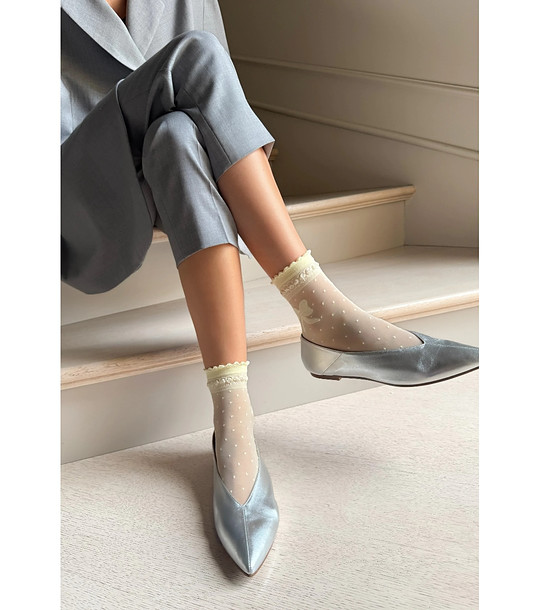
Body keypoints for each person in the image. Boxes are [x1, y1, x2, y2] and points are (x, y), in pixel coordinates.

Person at [61, 0, 479, 576]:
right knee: (196, 58)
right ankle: (323, 313)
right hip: (75, 193)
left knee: (178, 134)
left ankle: (232, 414)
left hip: (156, 167)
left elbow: (216, 104)